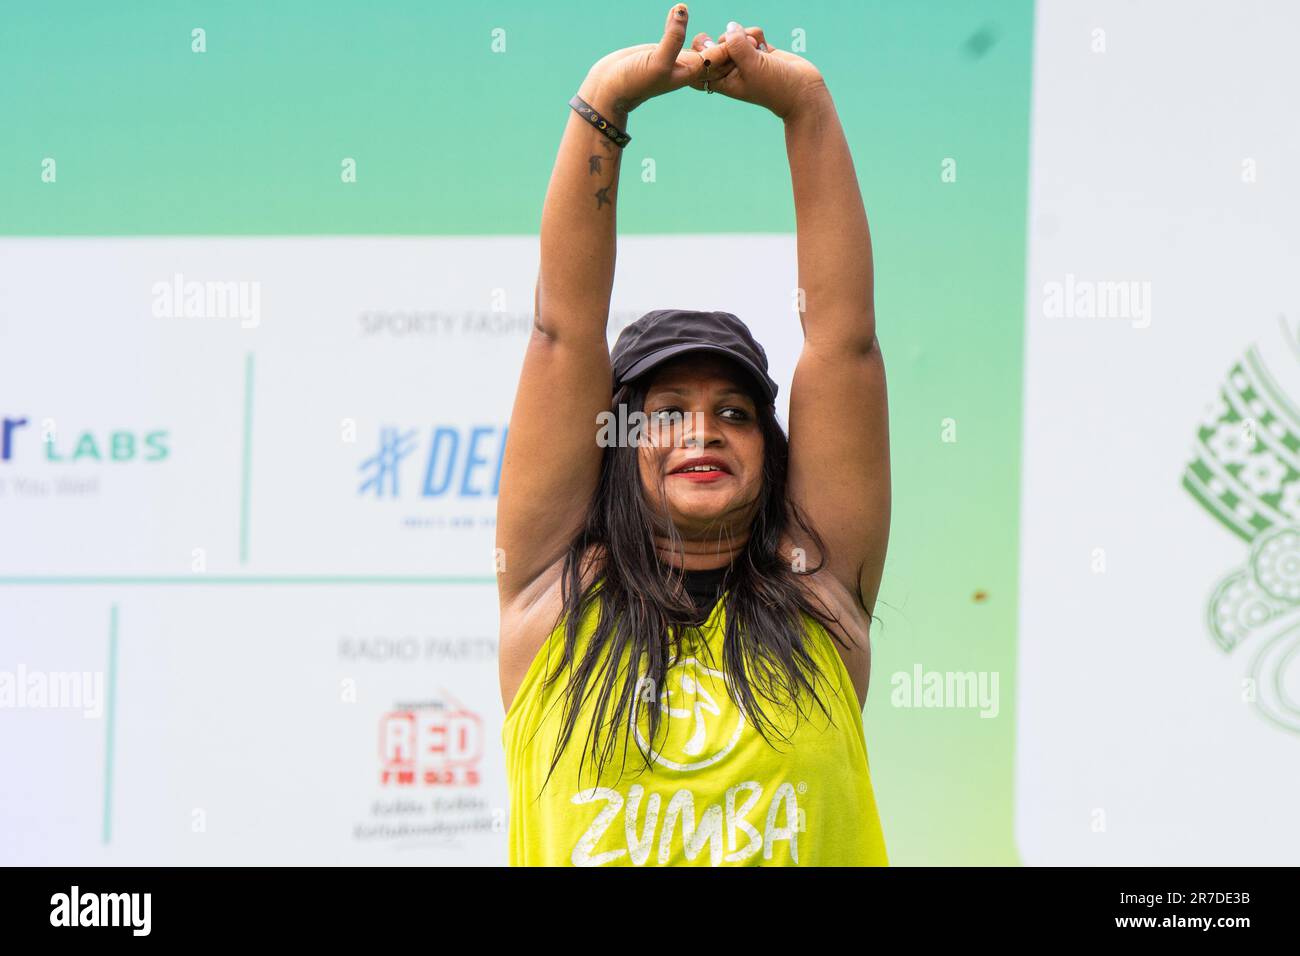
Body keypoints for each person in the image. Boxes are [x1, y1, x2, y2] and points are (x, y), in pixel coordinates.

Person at [496, 5, 890, 867]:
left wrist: (806, 105)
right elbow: (563, 331)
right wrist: (605, 101)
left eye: (737, 412)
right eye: (666, 411)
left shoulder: (819, 600)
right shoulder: (552, 602)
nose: (701, 431)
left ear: (772, 450)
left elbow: (844, 344)